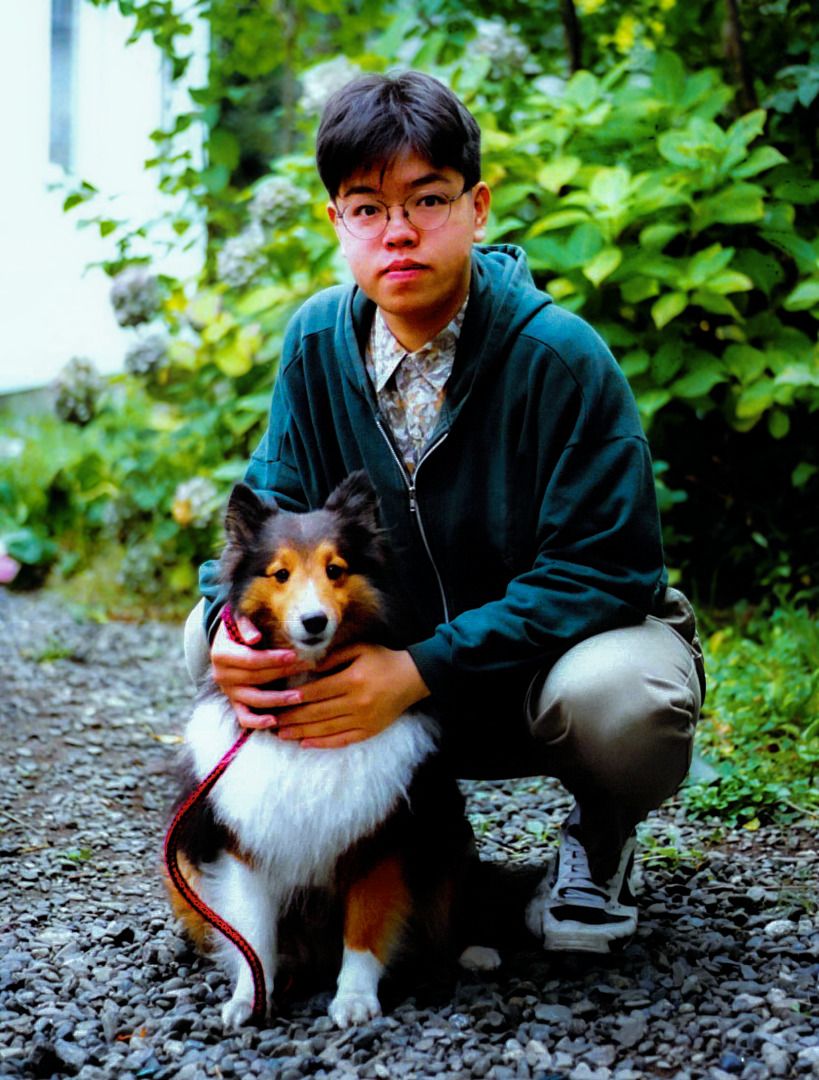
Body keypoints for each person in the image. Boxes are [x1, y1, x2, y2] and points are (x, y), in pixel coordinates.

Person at [185, 70, 705, 954]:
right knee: (210, 640)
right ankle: (337, 859)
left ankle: (600, 836)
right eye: (365, 206)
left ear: (477, 207)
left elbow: (606, 570)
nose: (397, 232)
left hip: (541, 674)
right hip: (392, 676)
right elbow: (263, 519)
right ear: (335, 222)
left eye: (427, 199)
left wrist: (422, 666)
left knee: (627, 701)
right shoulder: (316, 343)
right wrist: (227, 619)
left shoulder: (560, 358)